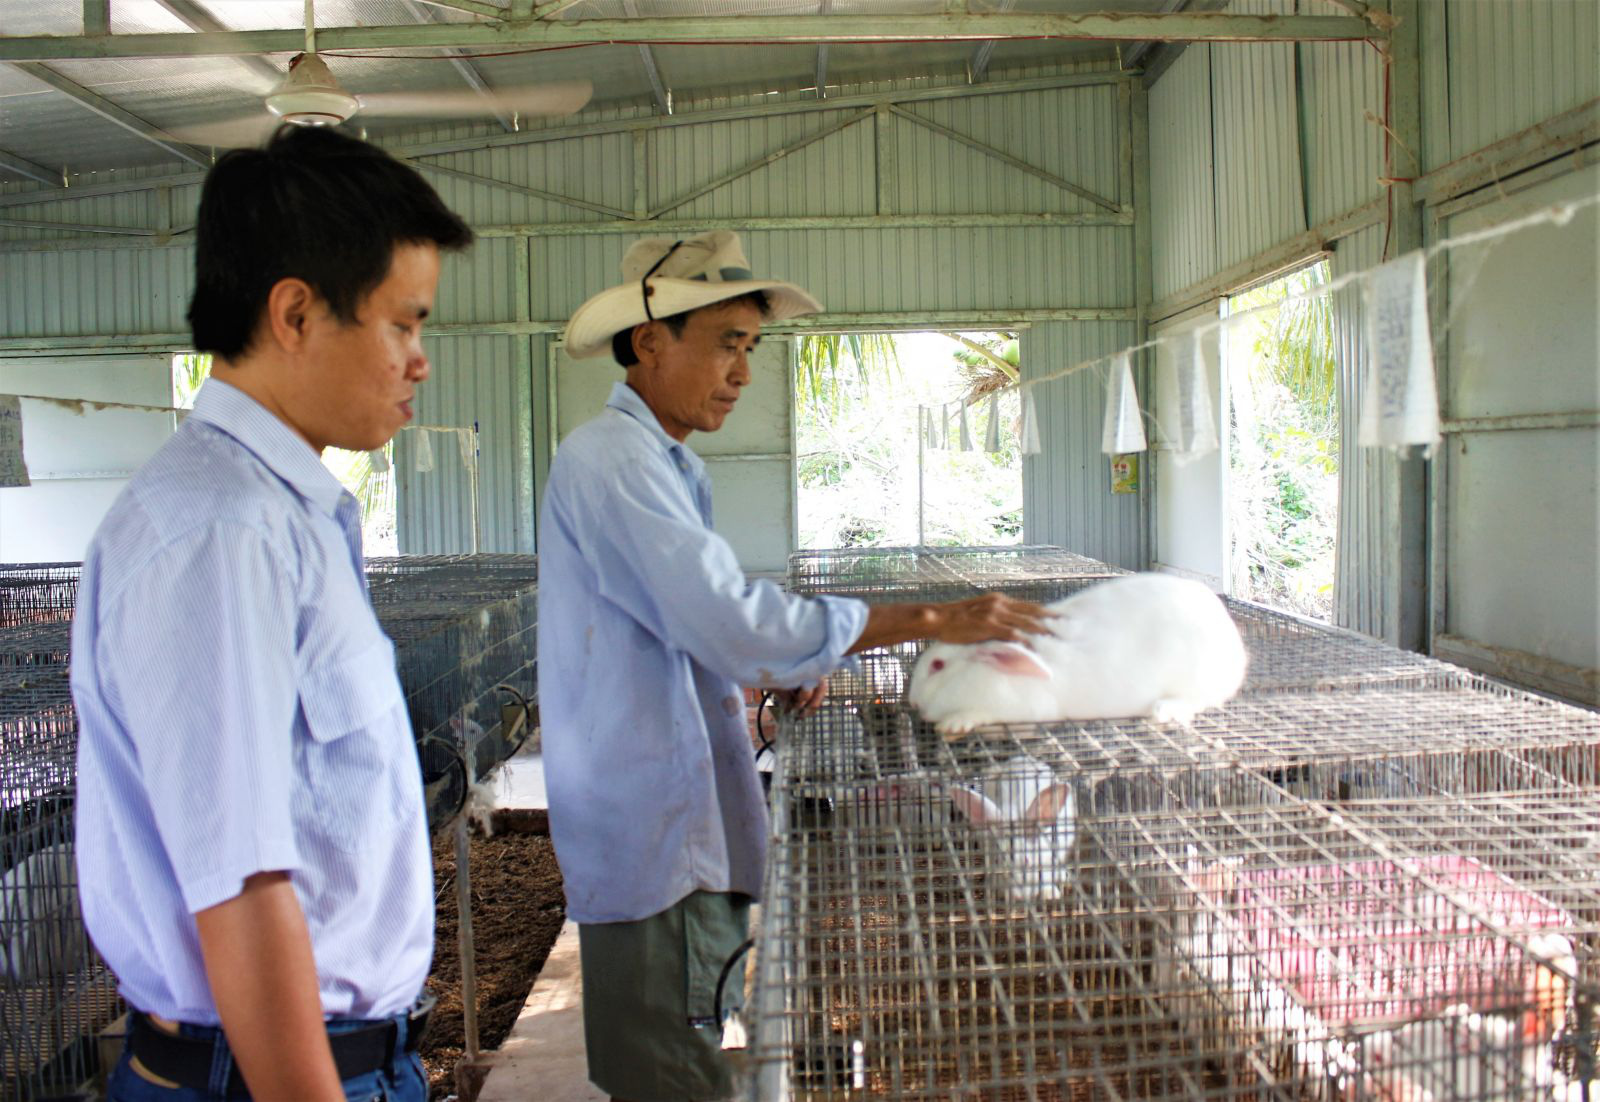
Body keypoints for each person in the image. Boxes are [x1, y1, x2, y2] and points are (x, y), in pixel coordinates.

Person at [539, 230, 1051, 1102]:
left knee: (690, 1044)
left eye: (751, 347)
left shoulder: (662, 463)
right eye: (724, 344)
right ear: (651, 342)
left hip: (674, 816)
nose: (742, 372)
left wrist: (760, 669)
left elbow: (682, 626)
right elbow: (729, 619)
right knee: (675, 1075)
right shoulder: (615, 460)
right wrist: (929, 619)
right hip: (658, 834)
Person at [69, 124, 473, 1101]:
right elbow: (240, 886)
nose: (420, 361)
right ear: (294, 312)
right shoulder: (223, 534)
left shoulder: (282, 518)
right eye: (403, 324)